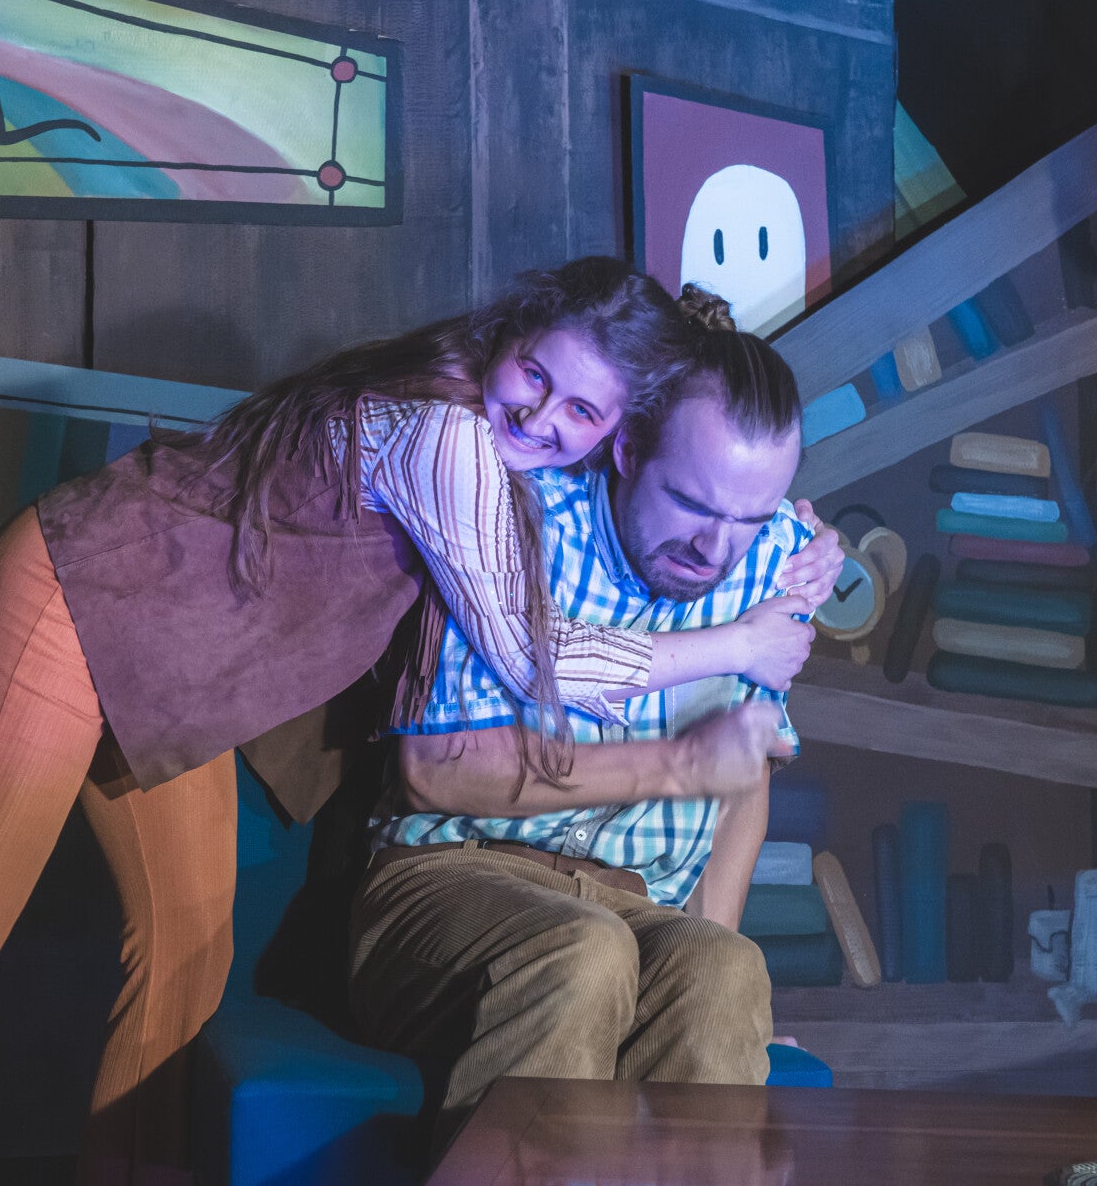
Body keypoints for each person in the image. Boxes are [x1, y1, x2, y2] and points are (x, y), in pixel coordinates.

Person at [0, 259, 833, 1186]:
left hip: (178, 674)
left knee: (184, 963)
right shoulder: (448, 434)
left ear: (612, 431)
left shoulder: (554, 460)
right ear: (507, 337)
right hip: (77, 595)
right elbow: (535, 656)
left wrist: (792, 532)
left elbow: (703, 485)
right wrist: (737, 645)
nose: (542, 415)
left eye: (580, 409)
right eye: (535, 374)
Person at [349, 301, 817, 1124]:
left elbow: (747, 771)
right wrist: (677, 764)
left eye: (747, 518)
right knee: (583, 951)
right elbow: (434, 771)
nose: (714, 549)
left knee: (726, 968)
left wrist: (710, 965)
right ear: (627, 449)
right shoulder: (516, 520)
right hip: (452, 876)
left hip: (635, 902)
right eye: (691, 503)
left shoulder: (778, 558)